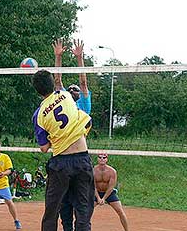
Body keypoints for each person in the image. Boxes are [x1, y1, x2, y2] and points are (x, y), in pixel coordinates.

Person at [32, 69, 94, 231]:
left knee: (52, 211)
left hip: (61, 163)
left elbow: (44, 148)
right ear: (53, 84)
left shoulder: (38, 115)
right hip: (82, 159)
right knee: (83, 210)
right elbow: (61, 79)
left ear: (37, 91)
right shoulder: (65, 96)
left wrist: (57, 136)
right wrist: (59, 56)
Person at [53, 38, 92, 231]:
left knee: (82, 208)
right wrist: (57, 57)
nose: (74, 90)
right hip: (62, 157)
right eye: (71, 90)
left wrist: (79, 58)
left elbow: (83, 81)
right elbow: (58, 81)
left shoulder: (83, 104)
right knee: (64, 206)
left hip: (79, 156)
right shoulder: (62, 102)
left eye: (76, 89)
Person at [94, 153, 129, 231]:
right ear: (97, 159)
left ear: (107, 159)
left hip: (109, 193)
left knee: (120, 212)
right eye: (100, 157)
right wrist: (98, 198)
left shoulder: (112, 171)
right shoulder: (93, 170)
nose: (102, 159)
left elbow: (111, 187)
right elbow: (93, 187)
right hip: (96, 193)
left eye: (104, 157)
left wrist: (104, 198)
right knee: (86, 212)